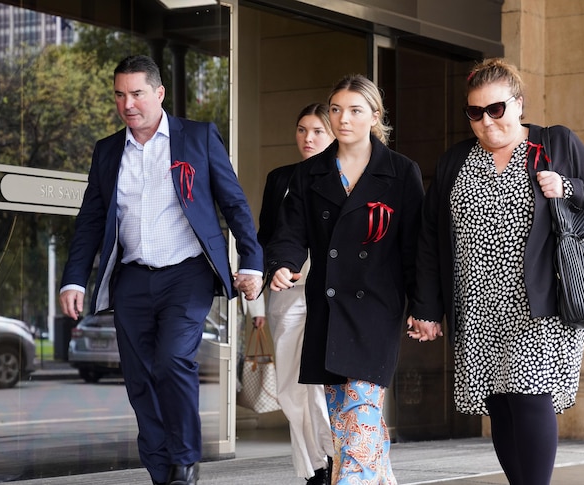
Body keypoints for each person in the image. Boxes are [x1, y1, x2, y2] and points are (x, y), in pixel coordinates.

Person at [406, 58, 584, 485]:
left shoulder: (555, 143)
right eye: (475, 112)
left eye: (497, 109)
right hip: (477, 305)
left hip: (538, 304)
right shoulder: (454, 162)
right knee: (501, 403)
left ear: (518, 104)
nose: (487, 121)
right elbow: (430, 238)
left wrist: (569, 187)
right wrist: (427, 306)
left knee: (529, 396)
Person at [59, 54, 263, 485]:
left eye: (136, 94)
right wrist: (74, 278)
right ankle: (160, 470)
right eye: (119, 94)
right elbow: (91, 221)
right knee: (138, 378)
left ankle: (186, 460)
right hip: (131, 278)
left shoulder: (199, 138)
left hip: (186, 274)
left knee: (173, 361)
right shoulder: (108, 151)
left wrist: (253, 262)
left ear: (159, 93)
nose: (127, 104)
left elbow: (234, 204)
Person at [266, 75, 424, 485]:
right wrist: (283, 263)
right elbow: (290, 230)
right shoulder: (309, 174)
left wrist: (424, 308)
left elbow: (416, 248)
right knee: (348, 420)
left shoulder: (401, 173)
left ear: (375, 116)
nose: (343, 119)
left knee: (360, 410)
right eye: (336, 109)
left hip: (377, 310)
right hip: (329, 309)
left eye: (355, 110)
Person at [253, 103, 337, 484]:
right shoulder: (280, 179)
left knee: (319, 386)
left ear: (335, 132)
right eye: (302, 130)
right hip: (287, 293)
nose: (308, 138)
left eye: (318, 130)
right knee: (291, 387)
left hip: (332, 295)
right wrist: (267, 274)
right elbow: (266, 237)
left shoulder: (348, 176)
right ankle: (312, 469)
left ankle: (330, 459)